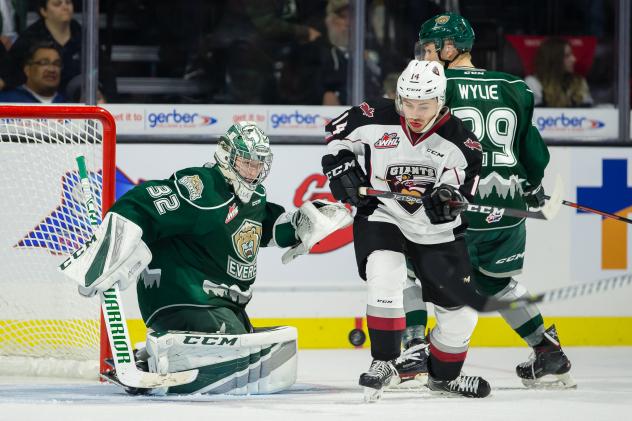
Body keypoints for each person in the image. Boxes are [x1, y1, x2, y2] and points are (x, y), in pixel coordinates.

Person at [59, 121, 352, 395]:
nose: (253, 171)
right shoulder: (202, 186)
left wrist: (302, 224)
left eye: (258, 164)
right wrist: (110, 247)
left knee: (258, 348)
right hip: (184, 295)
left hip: (221, 304)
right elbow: (143, 202)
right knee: (240, 353)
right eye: (246, 162)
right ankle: (162, 355)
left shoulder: (253, 195)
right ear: (226, 155)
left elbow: (261, 227)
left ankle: (150, 356)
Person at [396, 12, 575, 389]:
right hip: (506, 211)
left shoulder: (435, 84)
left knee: (409, 268)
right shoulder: (516, 87)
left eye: (429, 48)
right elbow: (531, 152)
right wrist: (532, 185)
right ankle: (547, 350)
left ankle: (413, 349)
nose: (425, 57)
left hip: (455, 206)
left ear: (448, 48)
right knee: (499, 283)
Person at [322, 59, 491, 401]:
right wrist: (338, 165)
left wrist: (448, 200)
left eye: (424, 105)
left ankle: (442, 378)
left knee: (461, 317)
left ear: (440, 101)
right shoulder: (373, 115)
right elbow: (335, 135)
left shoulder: (462, 143)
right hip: (384, 214)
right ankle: (383, 361)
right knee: (384, 272)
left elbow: (461, 191)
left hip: (436, 232)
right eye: (408, 102)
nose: (414, 112)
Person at [524, 37, 593, 107]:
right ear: (554, 59)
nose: (574, 59)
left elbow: (588, 112)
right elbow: (534, 114)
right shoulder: (533, 82)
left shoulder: (579, 82)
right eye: (567, 56)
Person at [0, 41, 64, 103]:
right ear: (27, 70)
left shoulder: (68, 103)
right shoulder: (6, 101)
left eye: (57, 64)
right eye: (44, 63)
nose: (51, 69)